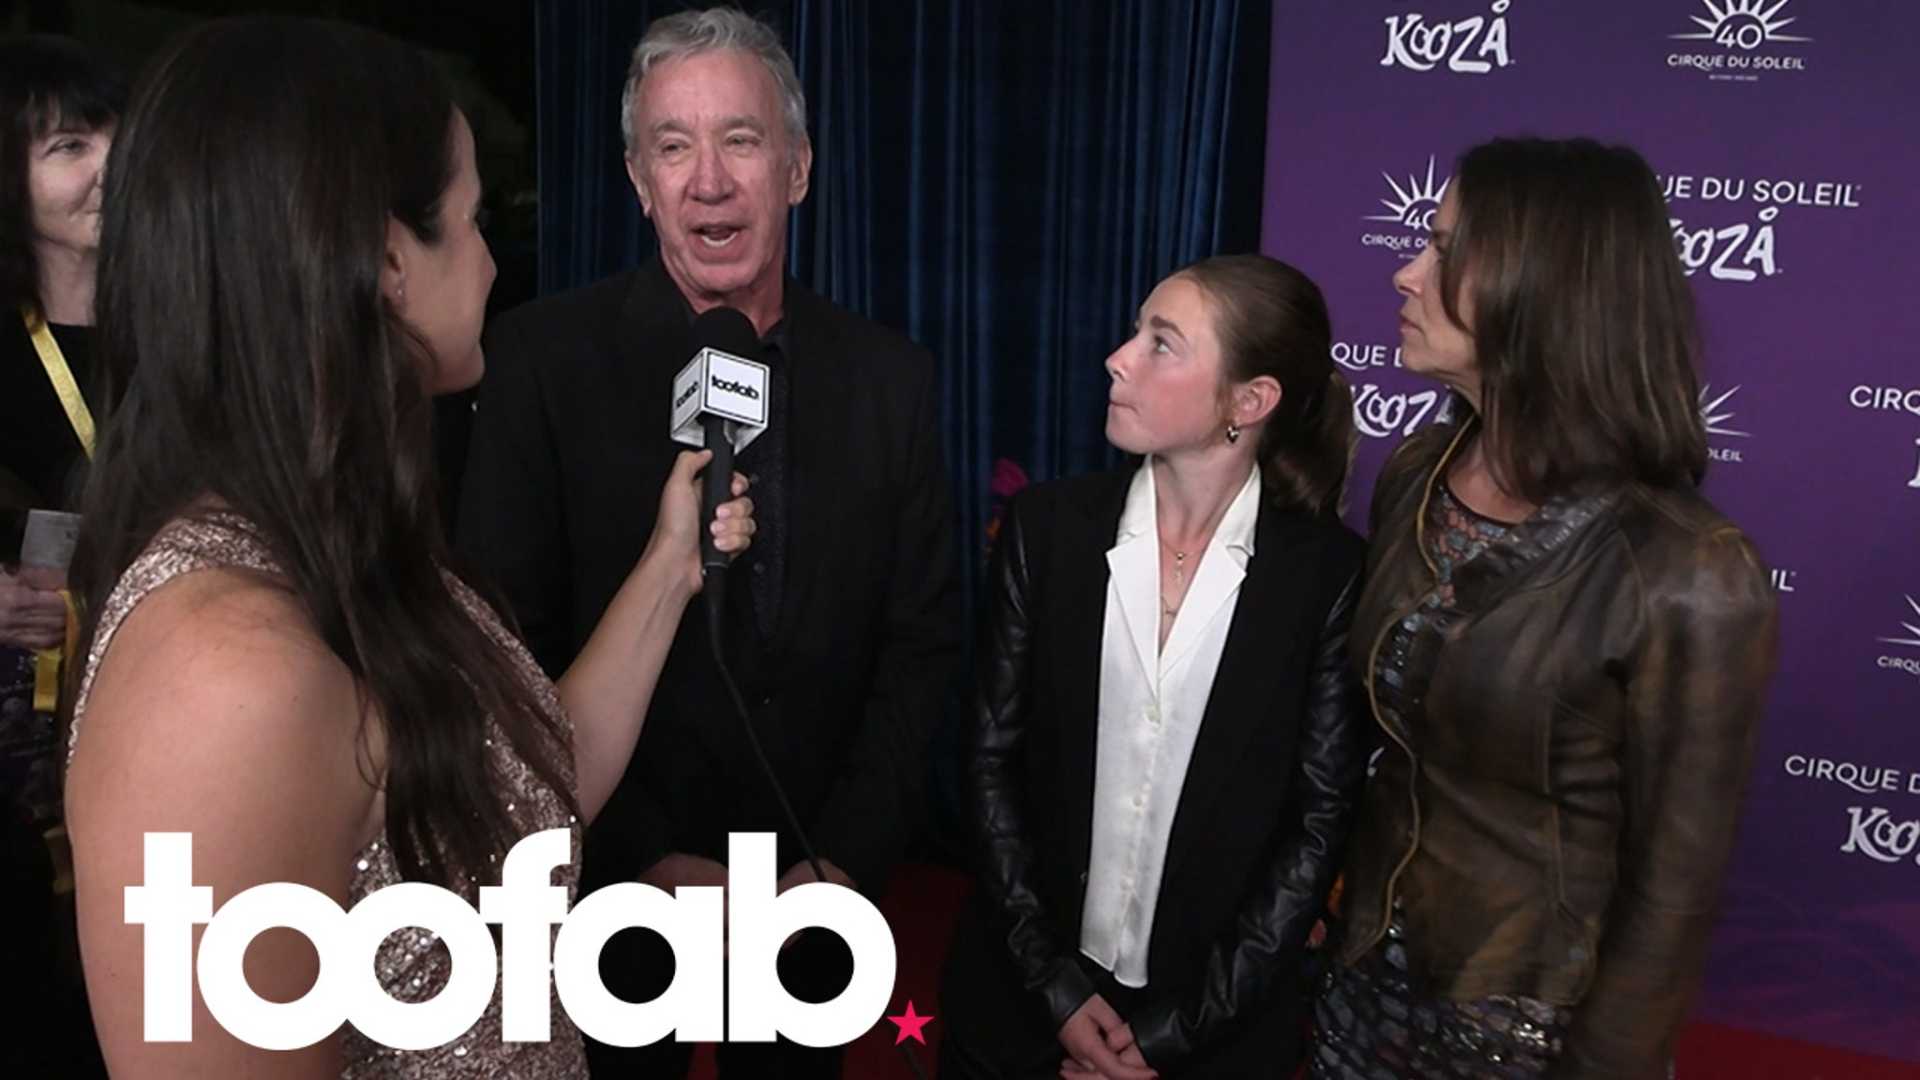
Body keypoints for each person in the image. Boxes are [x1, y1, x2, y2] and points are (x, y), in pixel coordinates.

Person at [62, 18, 753, 1077]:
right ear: (387, 262)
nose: (489, 259)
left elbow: (526, 783)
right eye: (475, 221)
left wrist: (671, 561)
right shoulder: (225, 674)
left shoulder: (335, 544)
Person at [454, 8, 958, 1077]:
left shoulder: (889, 379)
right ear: (638, 181)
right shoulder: (543, 362)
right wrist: (642, 857)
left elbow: (921, 649)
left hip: (813, 900)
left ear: (798, 169)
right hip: (617, 888)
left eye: (740, 139)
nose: (708, 181)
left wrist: (837, 864)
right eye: (673, 147)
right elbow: (505, 646)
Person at [1309, 137, 1780, 1080]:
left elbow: (1672, 899)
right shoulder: (1418, 472)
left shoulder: (1689, 569)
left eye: (1443, 251)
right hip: (1361, 983)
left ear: (1544, 283)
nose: (1405, 274)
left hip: (1525, 1033)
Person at [941, 254, 1368, 1079]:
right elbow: (989, 763)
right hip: (1019, 1011)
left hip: (1213, 1036)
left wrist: (1176, 1032)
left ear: (1250, 402)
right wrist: (1052, 985)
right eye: (1138, 332)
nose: (1120, 357)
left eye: (1162, 343)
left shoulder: (1326, 577)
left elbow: (1317, 828)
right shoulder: (1047, 531)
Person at [0, 34, 121, 822]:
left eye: (122, 137)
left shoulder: (184, 327)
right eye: (71, 146)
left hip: (156, 683)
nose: (112, 165)